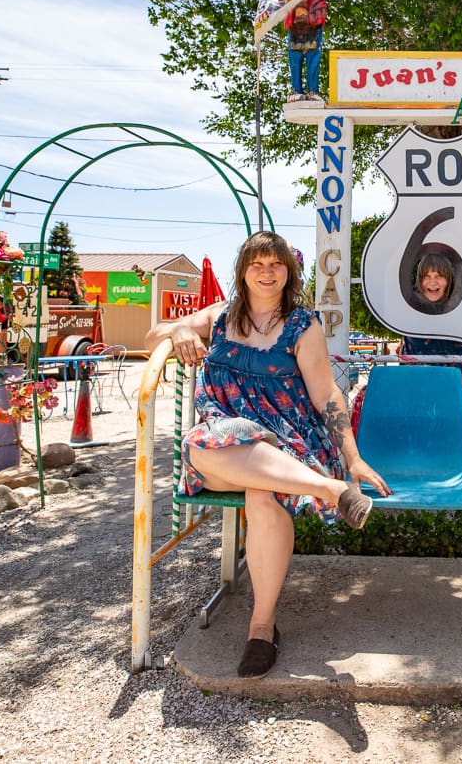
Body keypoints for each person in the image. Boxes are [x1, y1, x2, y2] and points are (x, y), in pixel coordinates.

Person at [146, 231, 391, 679]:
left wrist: (352, 457)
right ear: (242, 271)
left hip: (288, 443)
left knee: (262, 494)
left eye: (275, 264)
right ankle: (330, 491)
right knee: (203, 445)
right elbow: (153, 332)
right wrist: (181, 329)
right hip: (224, 444)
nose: (266, 271)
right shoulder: (219, 316)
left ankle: (261, 628)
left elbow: (326, 396)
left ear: (288, 272)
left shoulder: (303, 325)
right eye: (257, 263)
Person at [398, 252, 462, 433]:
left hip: (459, 388)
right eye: (427, 277)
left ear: (449, 280)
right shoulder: (408, 305)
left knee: (455, 434)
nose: (433, 282)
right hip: (421, 386)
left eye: (439, 276)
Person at [284, 0, 328, 103]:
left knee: (313, 63)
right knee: (295, 64)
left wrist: (308, 18)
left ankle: (313, 90)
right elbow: (286, 21)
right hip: (295, 38)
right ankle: (296, 90)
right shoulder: (291, 1)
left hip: (313, 37)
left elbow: (320, 17)